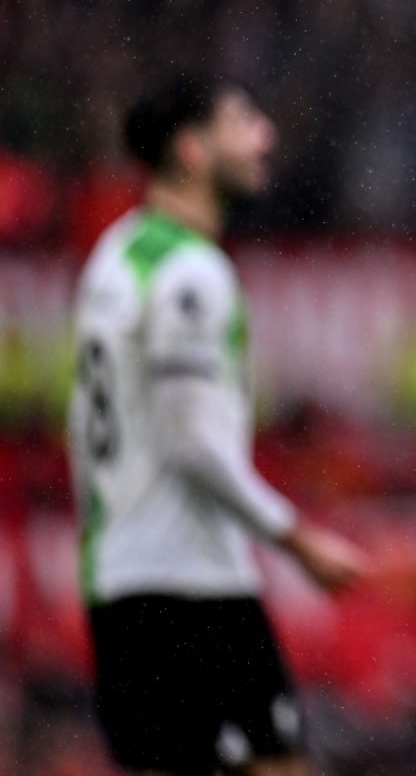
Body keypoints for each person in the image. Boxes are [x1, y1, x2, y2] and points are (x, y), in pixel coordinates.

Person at [67, 75, 367, 775]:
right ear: (192, 151)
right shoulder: (191, 275)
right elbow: (191, 442)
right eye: (241, 122)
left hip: (118, 581)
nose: (263, 137)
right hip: (189, 585)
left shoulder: (114, 258)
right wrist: (298, 538)